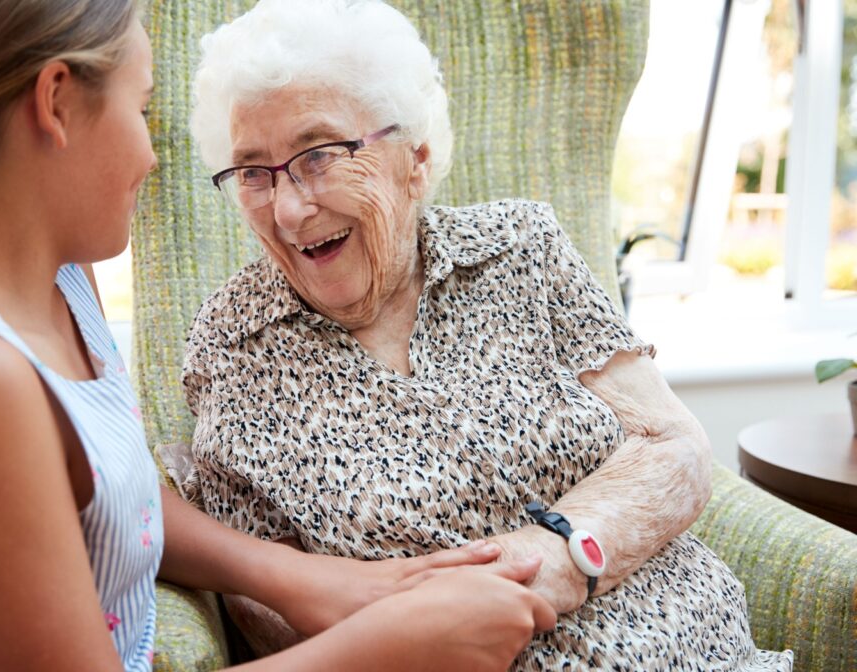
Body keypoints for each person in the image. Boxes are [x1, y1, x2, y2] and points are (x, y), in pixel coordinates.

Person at [0, 1, 559, 670]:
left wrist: (312, 579)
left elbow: (112, 489)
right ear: (55, 102)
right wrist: (394, 644)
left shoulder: (56, 278)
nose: (153, 157)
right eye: (142, 108)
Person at [182, 0, 793, 670]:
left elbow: (672, 442)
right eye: (252, 173)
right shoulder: (231, 346)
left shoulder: (520, 247)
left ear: (413, 159)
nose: (290, 207)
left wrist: (562, 557)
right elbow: (266, 604)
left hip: (699, 648)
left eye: (319, 155)